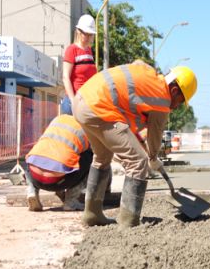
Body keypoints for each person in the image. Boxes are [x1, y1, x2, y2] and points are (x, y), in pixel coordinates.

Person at [72, 62, 197, 227]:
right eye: (180, 102)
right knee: (138, 161)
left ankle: (92, 214)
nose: (176, 107)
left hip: (81, 101)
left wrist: (144, 145)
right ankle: (128, 221)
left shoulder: (151, 79)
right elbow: (155, 134)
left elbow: (134, 116)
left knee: (102, 156)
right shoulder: (162, 97)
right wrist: (153, 157)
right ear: (174, 91)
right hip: (98, 108)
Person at [25, 114, 93, 212]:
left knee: (33, 155)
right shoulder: (85, 127)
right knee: (89, 157)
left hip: (35, 178)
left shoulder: (57, 120)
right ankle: (71, 201)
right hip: (60, 181)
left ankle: (31, 191)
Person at [61, 14, 98, 115]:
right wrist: (73, 101)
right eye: (85, 33)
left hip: (87, 101)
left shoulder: (89, 51)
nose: (88, 37)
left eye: (90, 34)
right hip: (73, 102)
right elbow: (65, 77)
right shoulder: (71, 50)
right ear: (78, 31)